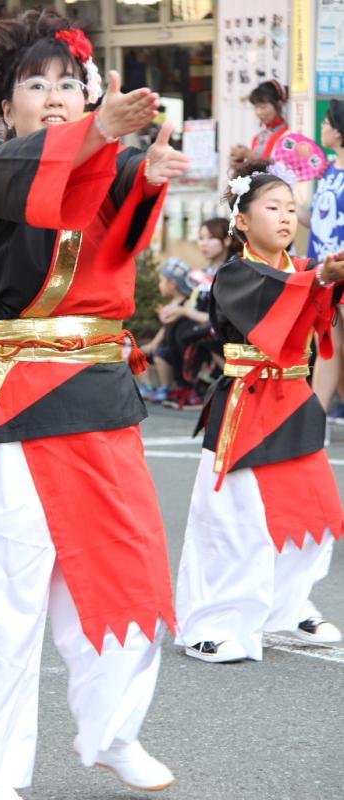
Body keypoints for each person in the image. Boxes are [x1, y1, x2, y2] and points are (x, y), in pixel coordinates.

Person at [0, 11, 190, 800]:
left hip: (100, 397)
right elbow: (46, 187)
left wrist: (149, 177)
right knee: (4, 588)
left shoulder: (105, 167)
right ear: (3, 106)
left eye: (70, 85)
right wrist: (96, 136)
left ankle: (115, 730)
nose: (54, 98)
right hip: (21, 399)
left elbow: (115, 230)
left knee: (128, 567)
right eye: (36, 85)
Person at [175, 158, 344, 664]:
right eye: (272, 207)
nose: (286, 216)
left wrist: (328, 281)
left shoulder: (298, 272)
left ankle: (286, 607)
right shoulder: (235, 274)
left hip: (293, 400)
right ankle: (209, 622)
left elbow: (313, 309)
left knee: (313, 510)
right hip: (246, 405)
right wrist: (319, 279)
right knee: (236, 520)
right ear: (242, 220)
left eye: (292, 208)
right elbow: (278, 306)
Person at [158, 219, 236, 410]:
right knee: (177, 326)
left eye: (210, 238)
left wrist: (184, 311)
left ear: (227, 240)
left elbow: (222, 316)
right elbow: (193, 307)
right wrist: (175, 312)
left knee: (193, 332)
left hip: (227, 326)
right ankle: (184, 386)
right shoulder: (202, 273)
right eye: (201, 238)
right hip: (207, 323)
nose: (203, 243)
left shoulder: (233, 269)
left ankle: (201, 385)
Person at [302, 100, 344, 419]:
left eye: (327, 123)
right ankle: (315, 419)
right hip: (325, 271)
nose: (322, 127)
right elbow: (316, 219)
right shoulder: (329, 169)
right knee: (328, 346)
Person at [138, 258, 194, 403]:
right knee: (138, 355)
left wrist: (156, 345)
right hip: (166, 345)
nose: (159, 285)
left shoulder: (186, 303)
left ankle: (166, 388)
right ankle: (147, 386)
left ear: (172, 284)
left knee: (160, 355)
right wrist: (154, 343)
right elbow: (165, 328)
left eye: (162, 281)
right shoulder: (171, 304)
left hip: (177, 350)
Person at [230, 80, 289, 171]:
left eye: (263, 107)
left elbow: (281, 167)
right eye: (256, 107)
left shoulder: (288, 134)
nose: (259, 112)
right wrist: (240, 164)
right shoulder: (258, 137)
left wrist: (250, 155)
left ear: (279, 104)